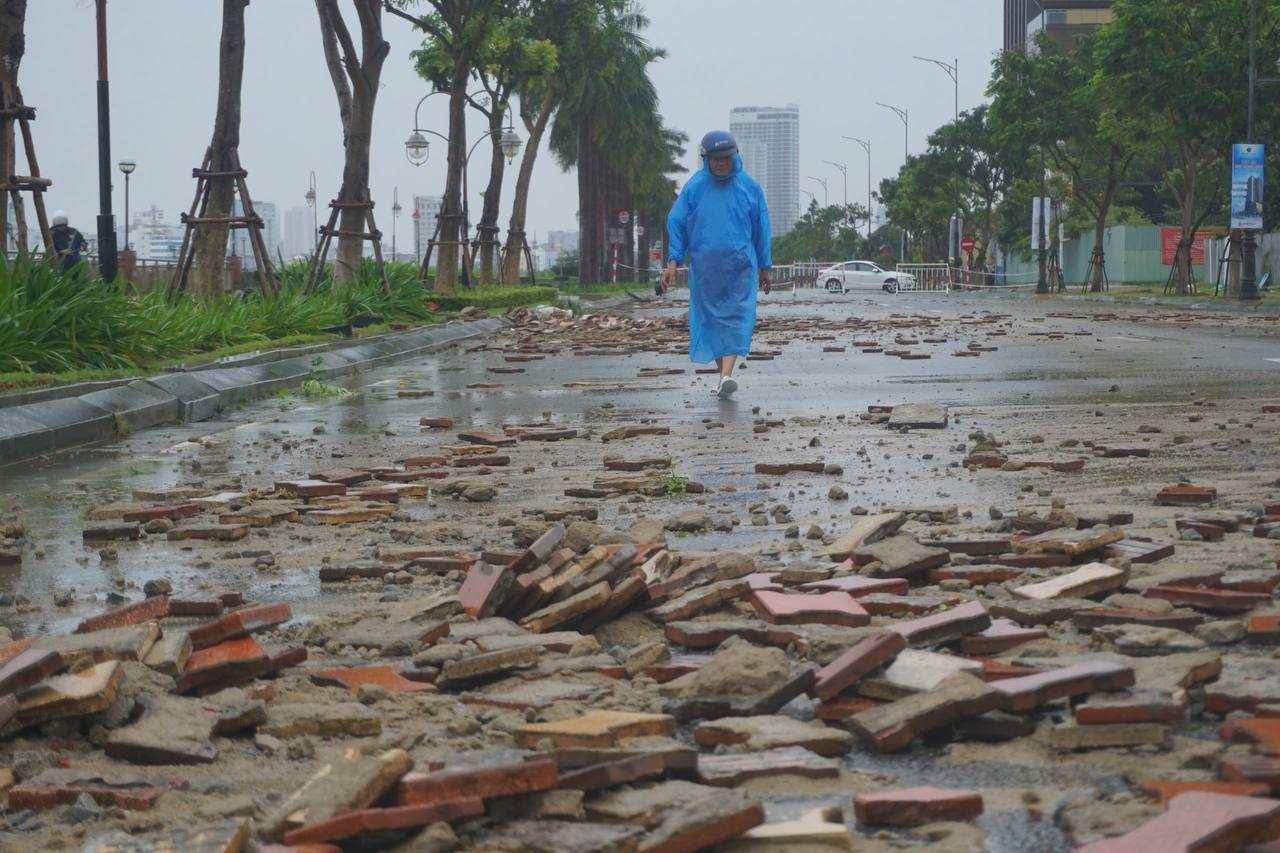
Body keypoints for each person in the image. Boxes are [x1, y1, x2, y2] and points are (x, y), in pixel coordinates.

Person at [662, 130, 771, 400]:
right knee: (710, 321)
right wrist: (673, 260)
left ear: (735, 157)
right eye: (716, 159)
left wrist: (765, 266)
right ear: (706, 159)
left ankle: (726, 376)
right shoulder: (694, 188)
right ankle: (724, 376)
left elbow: (762, 228)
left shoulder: (750, 187)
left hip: (741, 268)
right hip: (705, 271)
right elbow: (677, 223)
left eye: (726, 158)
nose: (722, 163)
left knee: (736, 319)